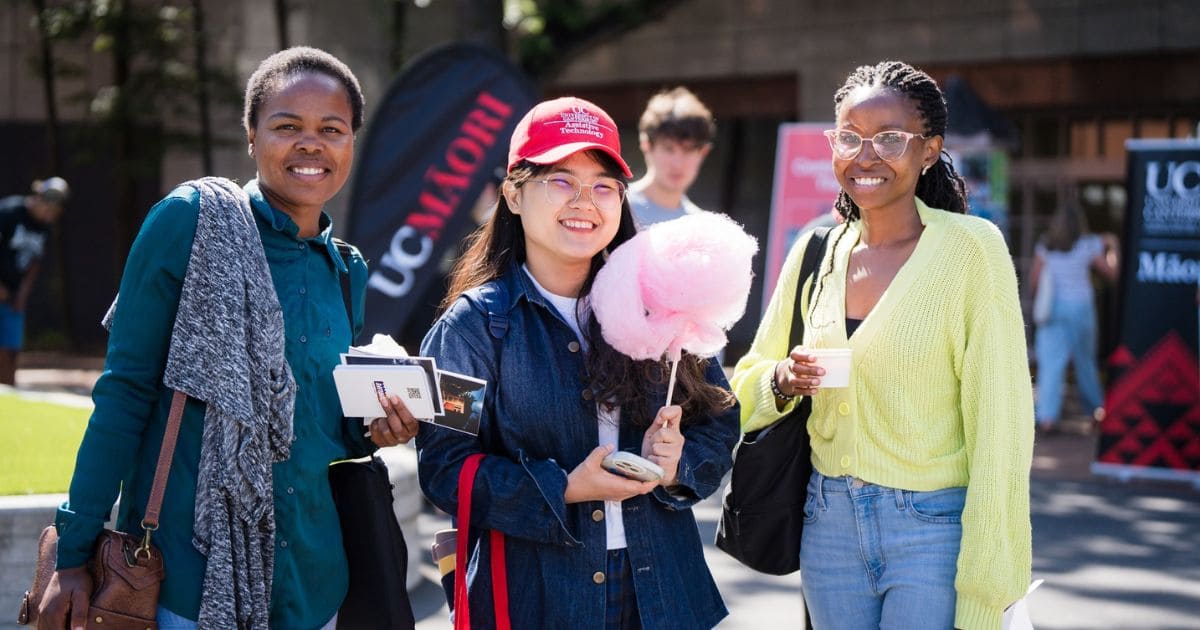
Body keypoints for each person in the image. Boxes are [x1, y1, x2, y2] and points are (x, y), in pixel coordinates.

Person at [38, 47, 418, 630]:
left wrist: (379, 426)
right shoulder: (192, 225)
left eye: (331, 129)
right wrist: (72, 552)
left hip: (315, 587)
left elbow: (317, 427)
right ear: (250, 135)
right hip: (187, 582)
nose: (310, 143)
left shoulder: (348, 272)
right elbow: (124, 394)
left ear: (351, 144)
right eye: (287, 126)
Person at [417, 96, 740, 629]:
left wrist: (677, 462)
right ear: (514, 195)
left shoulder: (661, 305)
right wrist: (565, 488)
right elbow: (445, 467)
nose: (584, 201)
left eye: (603, 186)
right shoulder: (471, 327)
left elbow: (720, 421)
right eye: (561, 181)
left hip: (661, 588)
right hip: (538, 597)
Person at [731, 60, 1033, 630]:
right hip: (826, 528)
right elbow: (745, 383)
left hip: (933, 531)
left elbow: (1002, 426)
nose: (864, 155)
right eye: (849, 137)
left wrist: (988, 589)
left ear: (929, 150)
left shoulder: (972, 252)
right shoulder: (814, 250)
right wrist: (782, 381)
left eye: (889, 138)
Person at [1029, 204, 1119, 432]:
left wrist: (1036, 300)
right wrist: (1113, 247)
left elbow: (1034, 281)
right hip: (1081, 308)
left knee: (1051, 364)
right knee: (1085, 362)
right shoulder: (1087, 245)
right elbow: (1111, 273)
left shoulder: (1045, 246)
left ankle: (1047, 417)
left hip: (1053, 310)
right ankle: (1097, 412)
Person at [0, 176, 69, 385]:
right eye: (49, 208)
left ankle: (8, 396)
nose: (50, 215)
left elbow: (34, 262)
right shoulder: (9, 212)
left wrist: (22, 293)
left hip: (12, 294)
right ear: (39, 199)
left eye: (55, 212)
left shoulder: (43, 227)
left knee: (11, 350)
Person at [627, 86, 715, 229]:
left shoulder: (702, 227)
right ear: (647, 145)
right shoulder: (616, 208)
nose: (677, 163)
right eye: (668, 149)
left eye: (688, 150)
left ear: (703, 153)